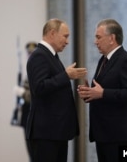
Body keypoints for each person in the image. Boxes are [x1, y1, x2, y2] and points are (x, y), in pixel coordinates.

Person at [78, 19, 127, 162]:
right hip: (103, 132)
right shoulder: (104, 60)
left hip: (117, 133)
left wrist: (102, 93)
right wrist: (90, 93)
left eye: (98, 37)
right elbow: (102, 92)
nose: (95, 41)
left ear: (112, 38)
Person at [26, 18, 87, 162]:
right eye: (65, 36)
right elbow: (39, 88)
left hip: (55, 132)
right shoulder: (39, 55)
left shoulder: (51, 56)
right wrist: (66, 75)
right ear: (52, 33)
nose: (67, 42)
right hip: (46, 133)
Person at [12, 42, 37, 162]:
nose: (30, 56)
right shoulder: (28, 72)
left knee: (35, 153)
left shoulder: (37, 71)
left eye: (32, 53)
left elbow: (37, 96)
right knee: (30, 153)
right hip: (26, 116)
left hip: (35, 118)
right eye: (28, 53)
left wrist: (22, 93)